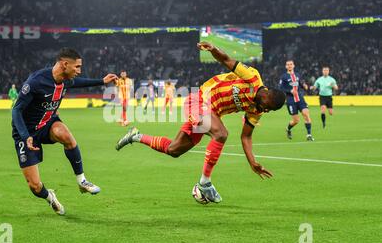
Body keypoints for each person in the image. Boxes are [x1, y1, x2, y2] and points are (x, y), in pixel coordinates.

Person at [115, 42, 286, 204]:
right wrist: (213, 50)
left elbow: (246, 137)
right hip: (199, 100)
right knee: (221, 134)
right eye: (267, 107)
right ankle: (204, 183)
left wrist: (252, 162)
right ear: (266, 95)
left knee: (174, 150)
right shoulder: (252, 77)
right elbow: (226, 60)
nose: (265, 111)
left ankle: (136, 136)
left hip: (210, 114)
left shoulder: (257, 110)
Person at [12, 48, 117, 215]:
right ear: (64, 64)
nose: (79, 71)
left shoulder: (65, 79)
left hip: (47, 124)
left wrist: (101, 81)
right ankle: (50, 197)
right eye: (77, 67)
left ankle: (82, 181)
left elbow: (79, 82)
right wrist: (25, 136)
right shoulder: (35, 82)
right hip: (27, 132)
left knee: (65, 135)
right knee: (35, 186)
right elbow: (16, 111)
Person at [279, 60, 314, 141]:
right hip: (291, 100)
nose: (289, 66)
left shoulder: (298, 75)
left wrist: (305, 86)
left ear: (293, 65)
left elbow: (300, 84)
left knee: (306, 114)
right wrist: (289, 91)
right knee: (296, 120)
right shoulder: (284, 77)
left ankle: (309, 135)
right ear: (286, 66)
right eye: (288, 64)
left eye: (291, 64)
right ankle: (288, 129)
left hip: (300, 98)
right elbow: (281, 88)